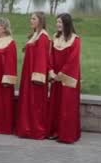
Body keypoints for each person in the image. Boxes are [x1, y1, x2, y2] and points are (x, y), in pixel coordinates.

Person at [48, 13, 82, 143]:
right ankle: (55, 131)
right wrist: (51, 72)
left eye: (60, 23)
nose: (58, 25)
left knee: (67, 105)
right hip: (56, 77)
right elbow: (50, 56)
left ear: (67, 24)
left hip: (68, 78)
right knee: (56, 105)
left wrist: (60, 75)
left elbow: (73, 60)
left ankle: (67, 134)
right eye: (57, 22)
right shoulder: (55, 38)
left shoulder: (75, 39)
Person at [17, 12, 50, 140]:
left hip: (35, 77)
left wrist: (38, 77)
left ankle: (35, 129)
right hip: (28, 73)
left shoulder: (43, 37)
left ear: (40, 21)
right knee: (28, 101)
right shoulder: (35, 35)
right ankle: (26, 128)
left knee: (35, 103)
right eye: (31, 18)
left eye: (34, 18)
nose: (31, 20)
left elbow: (42, 58)